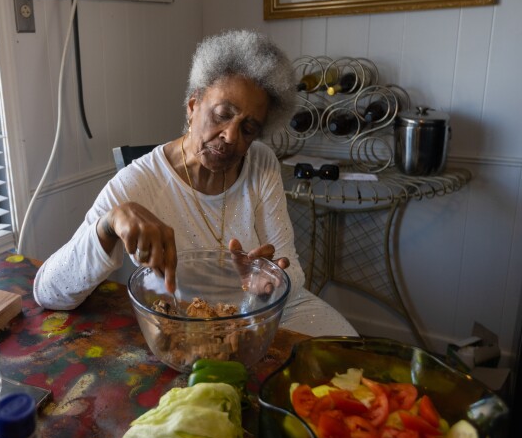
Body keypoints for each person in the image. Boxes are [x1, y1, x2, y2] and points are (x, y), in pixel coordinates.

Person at [33, 29, 357, 337]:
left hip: (262, 312)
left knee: (351, 359)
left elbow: (292, 271)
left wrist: (269, 280)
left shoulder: (261, 162)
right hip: (189, 326)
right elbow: (48, 291)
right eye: (222, 114)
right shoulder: (139, 182)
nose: (230, 136)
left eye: (248, 129)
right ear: (192, 106)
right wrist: (107, 225)